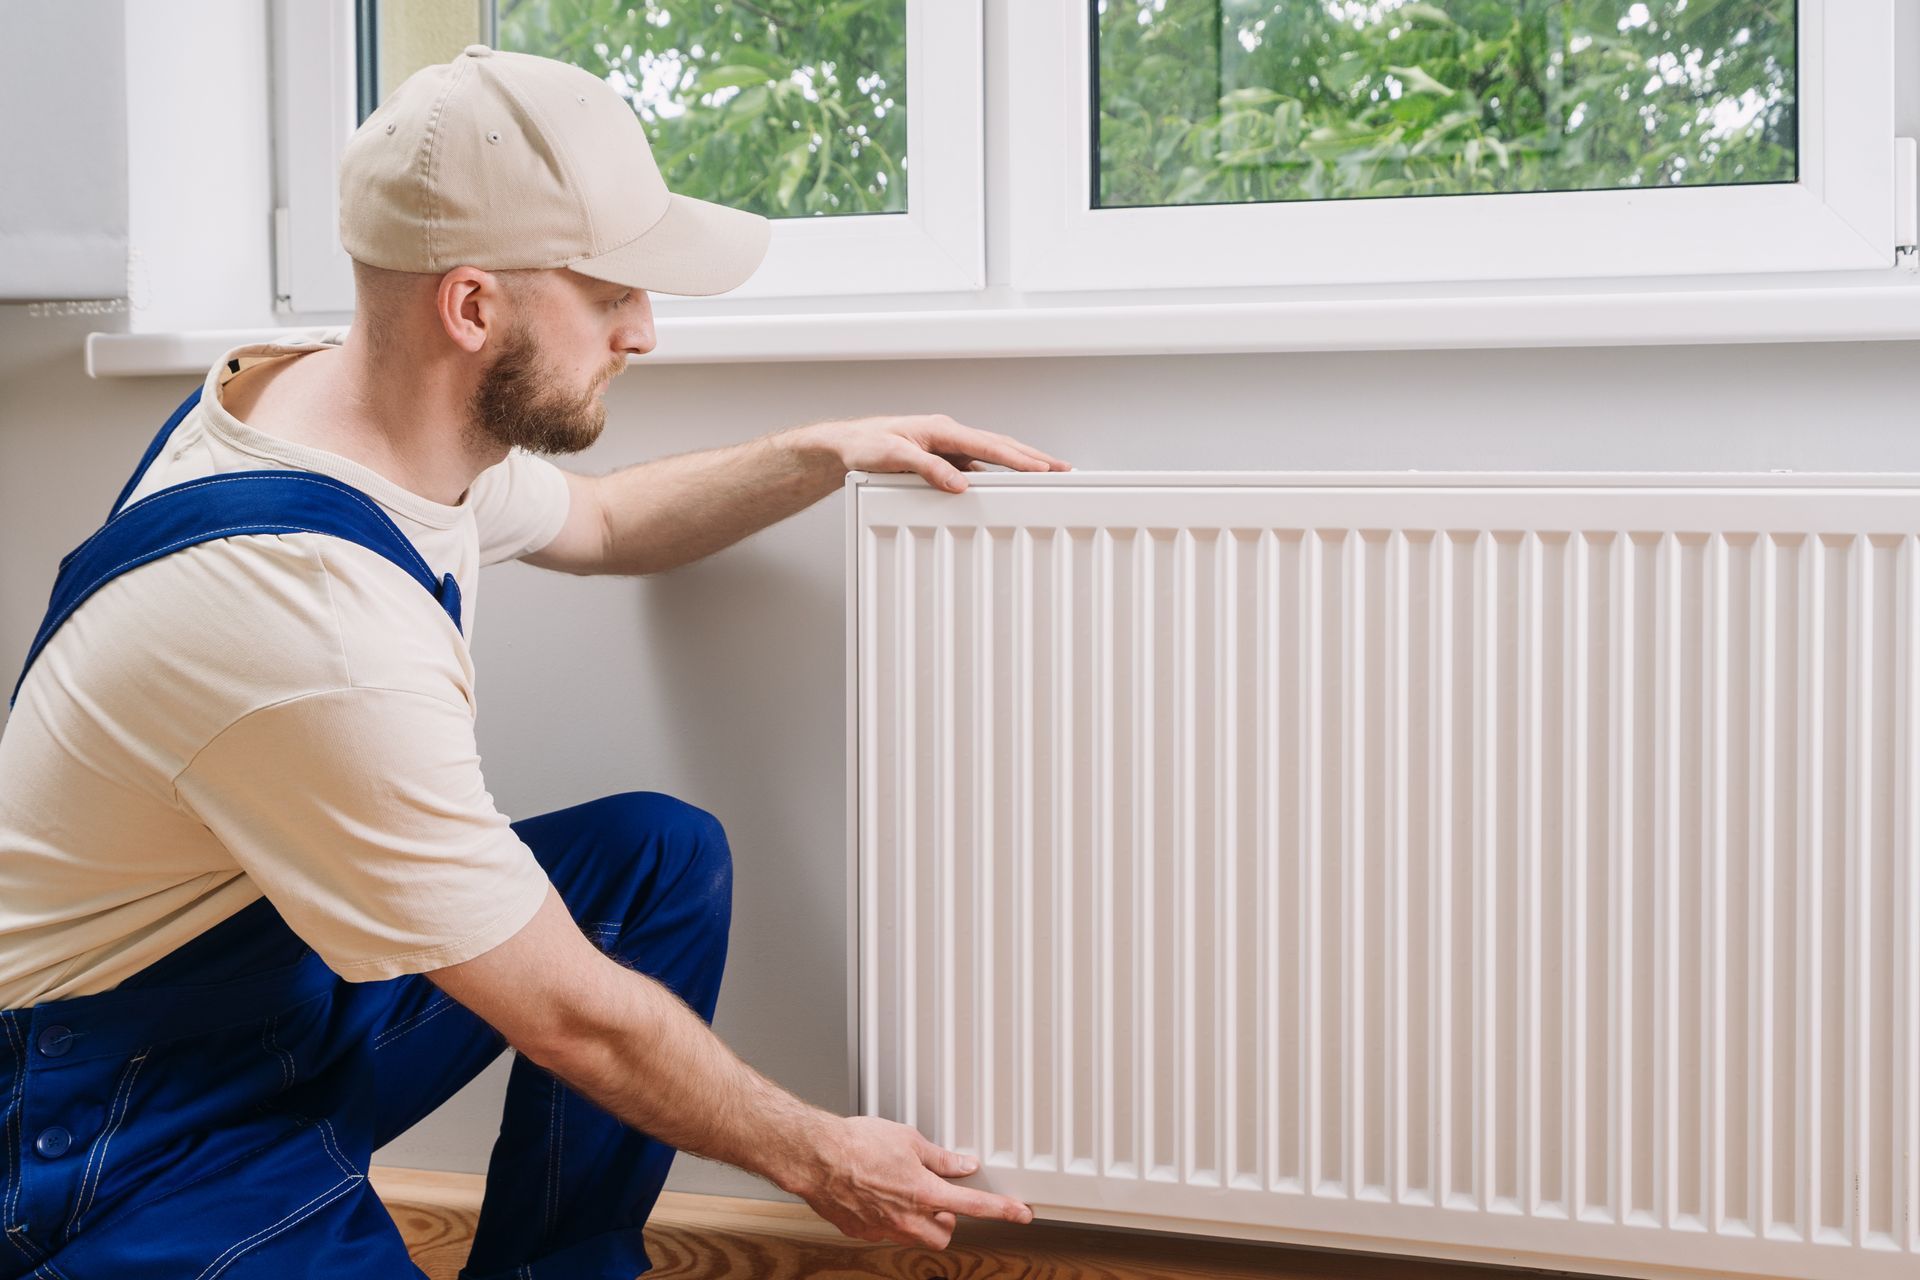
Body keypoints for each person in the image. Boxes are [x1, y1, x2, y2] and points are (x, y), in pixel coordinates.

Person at [0, 44, 1064, 1279]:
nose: (647, 330)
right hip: (112, 1119)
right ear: (471, 307)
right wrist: (820, 1152)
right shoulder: (310, 621)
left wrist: (823, 451)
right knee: (579, 987)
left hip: (286, 987)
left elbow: (605, 521)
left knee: (655, 859)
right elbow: (568, 1013)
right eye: (614, 291)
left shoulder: (362, 419)